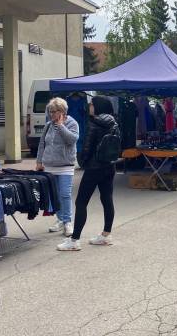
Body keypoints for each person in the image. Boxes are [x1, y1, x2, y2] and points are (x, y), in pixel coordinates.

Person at [58, 96, 119, 251]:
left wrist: (83, 162)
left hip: (94, 167)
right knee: (107, 198)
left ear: (98, 106)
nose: (89, 107)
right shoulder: (114, 122)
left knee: (81, 202)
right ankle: (106, 235)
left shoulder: (95, 122)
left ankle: (75, 240)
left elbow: (87, 146)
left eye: (91, 104)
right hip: (109, 165)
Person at [37, 97, 79, 237]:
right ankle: (60, 219)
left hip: (65, 165)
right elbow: (42, 144)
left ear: (62, 111)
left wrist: (61, 126)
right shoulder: (48, 125)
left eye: (54, 111)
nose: (51, 114)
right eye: (50, 111)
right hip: (49, 165)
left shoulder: (72, 123)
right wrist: (39, 162)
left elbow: (72, 140)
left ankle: (67, 222)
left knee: (65, 194)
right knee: (55, 195)